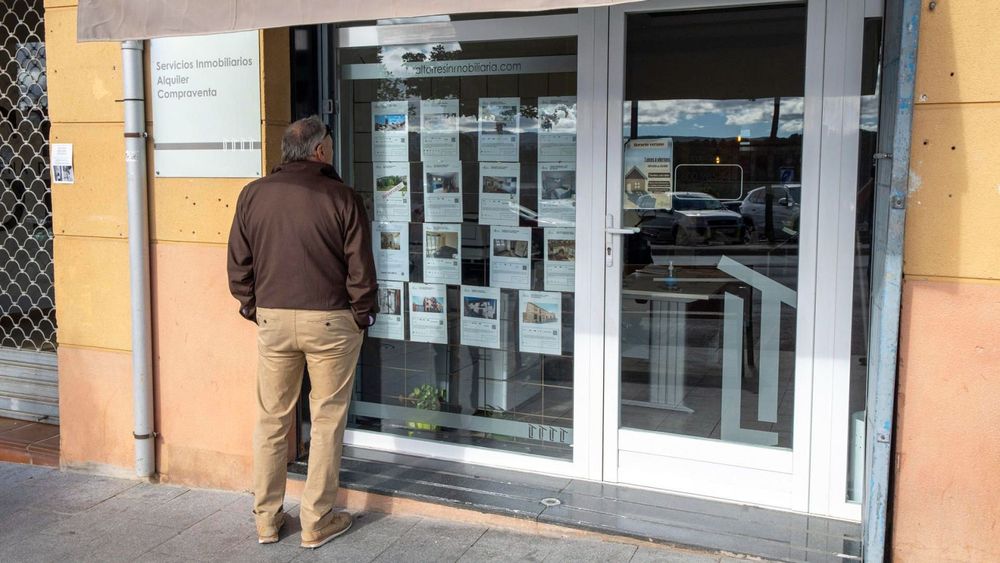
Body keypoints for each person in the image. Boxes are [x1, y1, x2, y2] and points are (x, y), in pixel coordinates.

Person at [227, 115, 377, 549]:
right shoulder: (342, 197)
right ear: (320, 151)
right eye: (329, 143)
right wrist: (362, 315)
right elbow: (360, 269)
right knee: (327, 420)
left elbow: (238, 263)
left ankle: (266, 520)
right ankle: (317, 520)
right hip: (330, 320)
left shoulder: (253, 194)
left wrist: (253, 306)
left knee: (271, 420)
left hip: (273, 319)